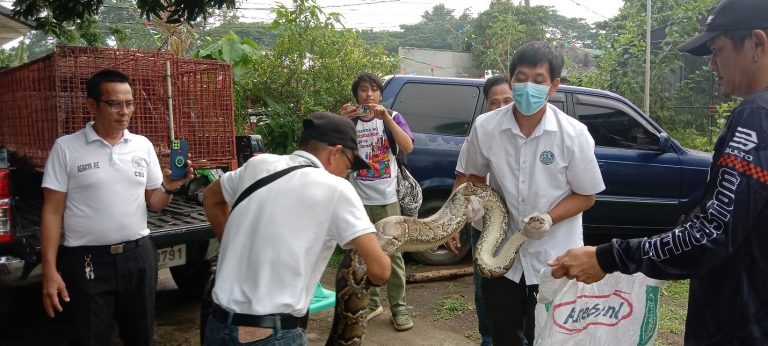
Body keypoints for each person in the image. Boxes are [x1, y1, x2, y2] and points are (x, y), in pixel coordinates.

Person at [548, 0, 768, 344]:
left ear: (757, 44)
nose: (711, 64)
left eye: (717, 50)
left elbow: (712, 233)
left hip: (741, 325)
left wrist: (608, 256)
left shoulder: (757, 117)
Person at [451, 41, 605, 346]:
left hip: (555, 258)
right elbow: (475, 176)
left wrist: (549, 217)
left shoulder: (573, 134)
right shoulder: (486, 127)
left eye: (538, 80)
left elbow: (587, 195)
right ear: (510, 80)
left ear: (554, 86)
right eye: (520, 78)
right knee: (503, 334)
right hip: (499, 254)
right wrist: (475, 205)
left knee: (548, 337)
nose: (527, 86)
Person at [202, 112, 392, 346]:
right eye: (350, 164)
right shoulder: (336, 189)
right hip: (272, 334)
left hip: (218, 325)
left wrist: (234, 254)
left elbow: (210, 197)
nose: (348, 173)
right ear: (335, 153)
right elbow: (380, 269)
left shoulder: (258, 164)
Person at [40, 69, 194, 345]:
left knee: (141, 336)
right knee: (90, 337)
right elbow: (52, 211)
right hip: (87, 261)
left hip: (138, 257)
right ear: (92, 105)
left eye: (129, 103)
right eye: (115, 104)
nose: (125, 111)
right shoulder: (66, 148)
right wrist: (50, 271)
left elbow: (155, 203)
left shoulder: (142, 146)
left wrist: (170, 187)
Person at [338, 72, 416, 331]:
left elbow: (407, 146)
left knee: (392, 256)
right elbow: (334, 153)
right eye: (363, 90)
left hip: (387, 198)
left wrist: (386, 119)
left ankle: (399, 309)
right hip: (357, 199)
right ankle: (372, 304)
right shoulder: (349, 122)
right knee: (361, 255)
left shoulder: (393, 118)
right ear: (356, 95)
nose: (368, 94)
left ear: (381, 94)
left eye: (373, 89)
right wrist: (340, 120)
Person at [451, 74, 514, 346]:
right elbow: (462, 180)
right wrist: (452, 223)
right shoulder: (477, 137)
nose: (500, 108)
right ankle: (488, 339)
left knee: (518, 289)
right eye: (493, 103)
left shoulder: (524, 138)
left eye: (507, 100)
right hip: (482, 227)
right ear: (486, 107)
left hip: (517, 230)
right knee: (483, 288)